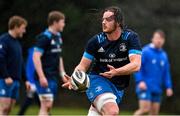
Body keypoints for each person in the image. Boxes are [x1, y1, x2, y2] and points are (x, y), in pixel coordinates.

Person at [62, 6, 142, 116]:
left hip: (118, 87)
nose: (104, 22)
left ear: (118, 22)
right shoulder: (96, 41)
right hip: (96, 80)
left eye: (108, 19)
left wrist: (116, 72)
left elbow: (136, 65)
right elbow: (82, 66)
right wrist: (76, 76)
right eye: (103, 19)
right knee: (112, 112)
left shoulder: (130, 38)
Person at [33, 11, 67, 115]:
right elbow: (36, 57)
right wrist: (41, 76)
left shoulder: (58, 37)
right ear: (55, 22)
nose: (64, 24)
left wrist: (62, 74)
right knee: (46, 105)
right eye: (62, 22)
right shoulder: (44, 37)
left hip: (53, 76)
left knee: (48, 107)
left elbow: (59, 56)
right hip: (44, 76)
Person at [134, 30, 173, 115]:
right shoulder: (145, 51)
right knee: (145, 109)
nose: (159, 40)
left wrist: (168, 87)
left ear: (164, 41)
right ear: (152, 39)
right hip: (145, 86)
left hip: (157, 88)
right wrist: (140, 81)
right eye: (157, 38)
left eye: (161, 39)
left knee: (154, 113)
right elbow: (137, 67)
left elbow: (166, 73)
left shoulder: (164, 55)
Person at [0, 16, 27, 115]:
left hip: (16, 81)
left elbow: (21, 62)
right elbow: (0, 59)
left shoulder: (17, 43)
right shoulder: (4, 40)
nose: (24, 31)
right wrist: (6, 76)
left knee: (9, 109)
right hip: (5, 80)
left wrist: (26, 80)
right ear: (15, 27)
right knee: (4, 108)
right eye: (23, 28)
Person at [18, 47, 40, 115]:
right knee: (40, 101)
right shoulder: (35, 53)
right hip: (33, 82)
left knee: (30, 99)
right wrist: (31, 81)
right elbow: (31, 69)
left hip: (33, 81)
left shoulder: (34, 52)